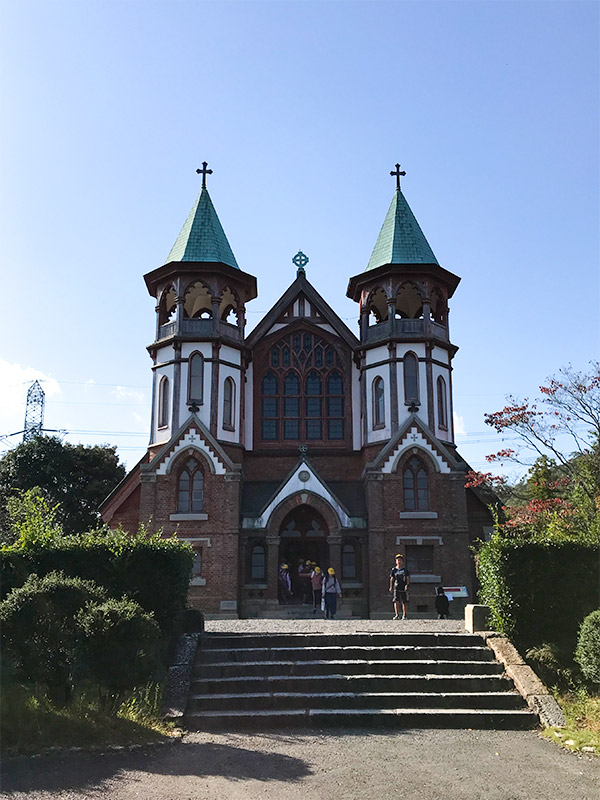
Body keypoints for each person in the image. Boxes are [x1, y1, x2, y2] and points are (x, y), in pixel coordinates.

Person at [389, 553, 410, 620]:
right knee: (396, 601)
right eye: (398, 560)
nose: (399, 561)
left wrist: (407, 585)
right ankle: (397, 614)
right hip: (396, 587)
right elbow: (392, 578)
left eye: (400, 560)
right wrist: (391, 587)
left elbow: (408, 578)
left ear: (402, 561)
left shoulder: (405, 570)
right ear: (396, 561)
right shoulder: (394, 570)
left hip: (403, 587)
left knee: (404, 601)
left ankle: (404, 615)